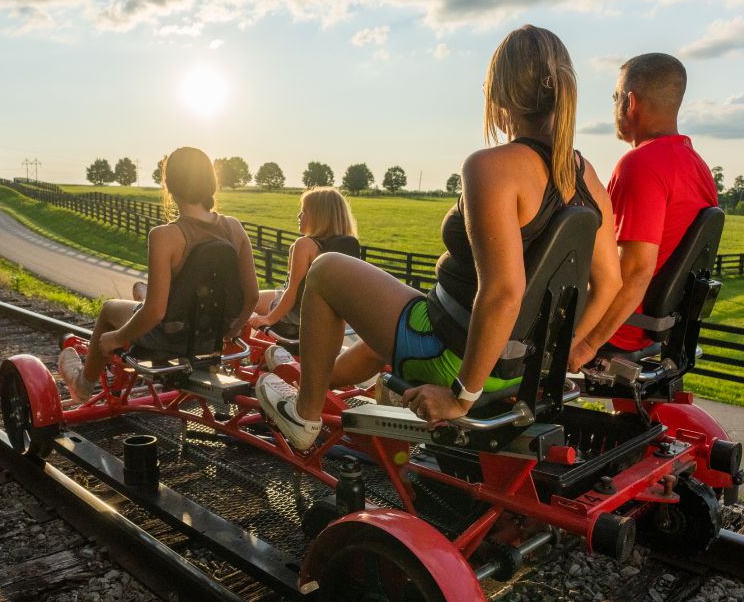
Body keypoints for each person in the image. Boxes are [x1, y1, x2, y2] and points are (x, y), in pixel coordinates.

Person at [255, 24, 621, 449]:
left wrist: (461, 396)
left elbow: (504, 292)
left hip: (452, 357)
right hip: (519, 365)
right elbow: (609, 283)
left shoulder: (491, 167)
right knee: (390, 316)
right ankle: (310, 374)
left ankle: (304, 415)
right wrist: (573, 350)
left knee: (324, 270)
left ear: (499, 94)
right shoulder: (586, 177)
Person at [58, 146, 259, 401]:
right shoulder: (234, 228)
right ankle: (140, 296)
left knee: (109, 308)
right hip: (212, 335)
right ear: (211, 181)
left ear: (170, 186)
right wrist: (229, 332)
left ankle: (82, 385)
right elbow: (251, 296)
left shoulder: (165, 236)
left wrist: (116, 338)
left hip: (169, 338)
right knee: (142, 292)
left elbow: (155, 312)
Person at [568, 54, 719, 371]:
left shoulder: (641, 164)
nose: (614, 108)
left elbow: (636, 269)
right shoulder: (697, 166)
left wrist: (587, 345)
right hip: (655, 324)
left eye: (615, 98)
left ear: (630, 102)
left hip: (618, 330)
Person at [248, 186, 360, 336]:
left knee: (247, 301)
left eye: (304, 211)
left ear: (320, 216)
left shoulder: (304, 245)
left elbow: (292, 292)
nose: (299, 216)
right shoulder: (346, 245)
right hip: (329, 317)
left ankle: (235, 353)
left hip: (297, 315)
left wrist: (268, 319)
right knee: (264, 296)